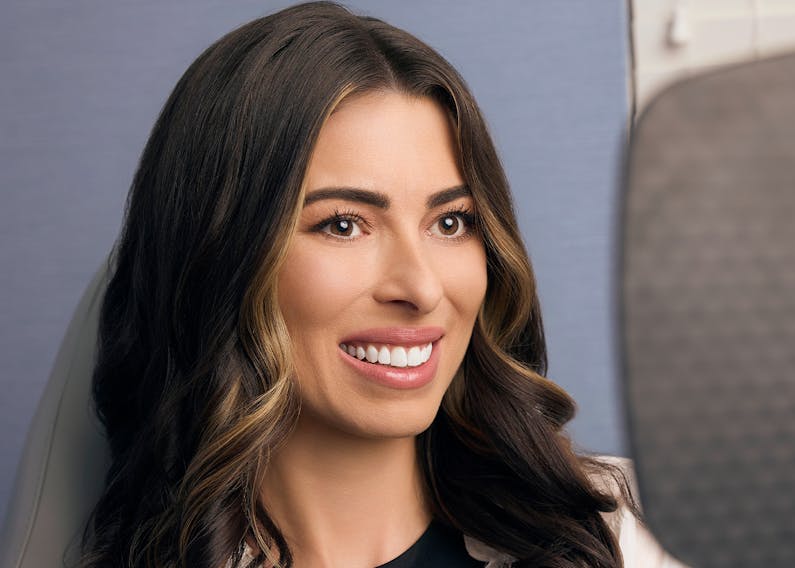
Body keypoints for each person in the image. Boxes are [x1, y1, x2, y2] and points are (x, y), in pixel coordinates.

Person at [79, 2, 682, 567]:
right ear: (221, 257)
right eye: (344, 225)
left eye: (450, 222)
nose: (420, 288)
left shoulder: (626, 536)